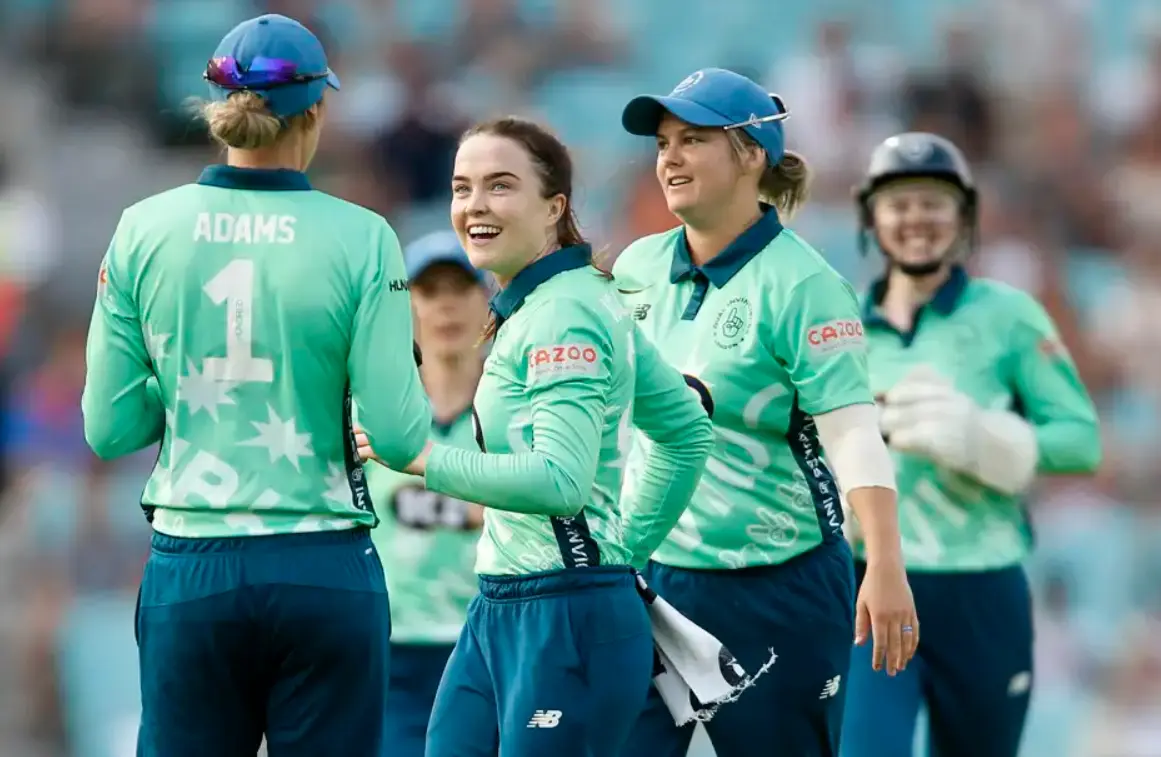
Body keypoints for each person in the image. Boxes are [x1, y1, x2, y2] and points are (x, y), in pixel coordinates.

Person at [80, 14, 431, 757]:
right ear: (317, 110)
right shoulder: (364, 236)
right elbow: (400, 437)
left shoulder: (143, 228)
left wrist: (184, 383)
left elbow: (109, 429)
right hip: (323, 565)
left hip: (194, 567)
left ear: (217, 108)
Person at [357, 116, 716, 757]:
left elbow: (561, 480)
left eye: (500, 186)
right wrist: (622, 552)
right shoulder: (550, 302)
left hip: (565, 612)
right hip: (502, 603)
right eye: (462, 187)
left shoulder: (565, 311)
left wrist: (423, 459)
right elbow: (687, 429)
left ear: (554, 208)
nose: (474, 205)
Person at [612, 67, 918, 757]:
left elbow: (853, 434)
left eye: (692, 140)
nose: (670, 158)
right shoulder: (634, 269)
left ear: (752, 154)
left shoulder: (805, 285)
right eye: (662, 143)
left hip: (779, 585)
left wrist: (884, 560)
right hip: (652, 577)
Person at [839, 132, 1101, 757]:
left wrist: (988, 442)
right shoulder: (838, 323)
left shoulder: (1008, 317)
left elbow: (1081, 441)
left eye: (934, 202)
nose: (916, 219)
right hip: (872, 580)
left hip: (981, 588)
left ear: (964, 216)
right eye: (899, 204)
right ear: (871, 217)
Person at [368, 230, 490, 757]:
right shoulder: (377, 415)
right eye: (429, 291)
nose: (446, 306)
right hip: (391, 651)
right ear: (409, 303)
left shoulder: (512, 413)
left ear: (486, 299)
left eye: (459, 289)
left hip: (483, 645)